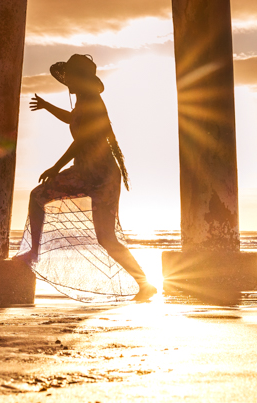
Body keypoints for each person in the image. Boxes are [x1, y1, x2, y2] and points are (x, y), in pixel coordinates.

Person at [15, 54, 156, 302]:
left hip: (97, 174)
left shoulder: (92, 101)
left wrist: (56, 167)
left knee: (103, 236)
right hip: (94, 172)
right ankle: (145, 284)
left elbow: (81, 141)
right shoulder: (83, 100)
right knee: (42, 199)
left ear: (79, 78)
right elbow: (72, 119)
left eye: (70, 75)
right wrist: (47, 106)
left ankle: (33, 253)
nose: (67, 80)